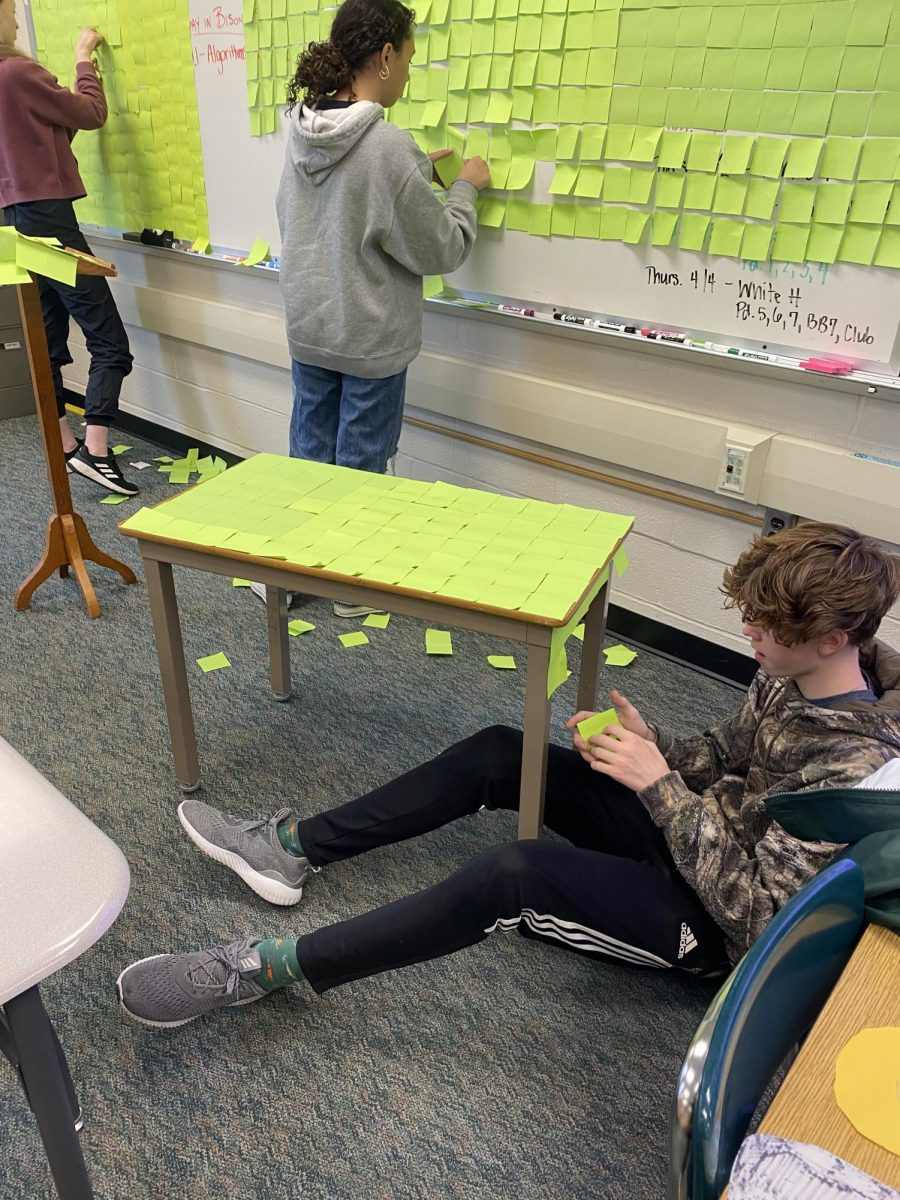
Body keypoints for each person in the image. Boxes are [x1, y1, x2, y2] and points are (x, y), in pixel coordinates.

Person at [117, 522, 900, 1028]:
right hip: (696, 834)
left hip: (716, 929)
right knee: (503, 751)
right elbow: (729, 756)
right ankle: (292, 847)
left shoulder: (856, 766)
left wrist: (659, 785)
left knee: (512, 874)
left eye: (769, 628)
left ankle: (266, 967)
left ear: (833, 637)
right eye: (750, 617)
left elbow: (762, 918)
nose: (749, 634)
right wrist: (654, 747)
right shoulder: (795, 674)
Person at [250, 0, 489, 617]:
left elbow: (337, 204)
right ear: (384, 57)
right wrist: (466, 188)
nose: (408, 72)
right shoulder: (387, 148)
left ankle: (301, 569)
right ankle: (351, 588)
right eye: (407, 57)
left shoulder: (301, 126)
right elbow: (444, 247)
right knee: (361, 462)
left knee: (310, 456)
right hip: (370, 337)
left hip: (310, 326)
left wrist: (412, 174)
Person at [0, 6, 137, 496]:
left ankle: (63, 443)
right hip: (47, 220)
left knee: (47, 338)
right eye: (11, 11)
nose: (17, 20)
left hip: (9, 224)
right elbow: (90, 114)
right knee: (110, 342)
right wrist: (83, 59)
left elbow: (47, 133)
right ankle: (96, 452)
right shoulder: (18, 71)